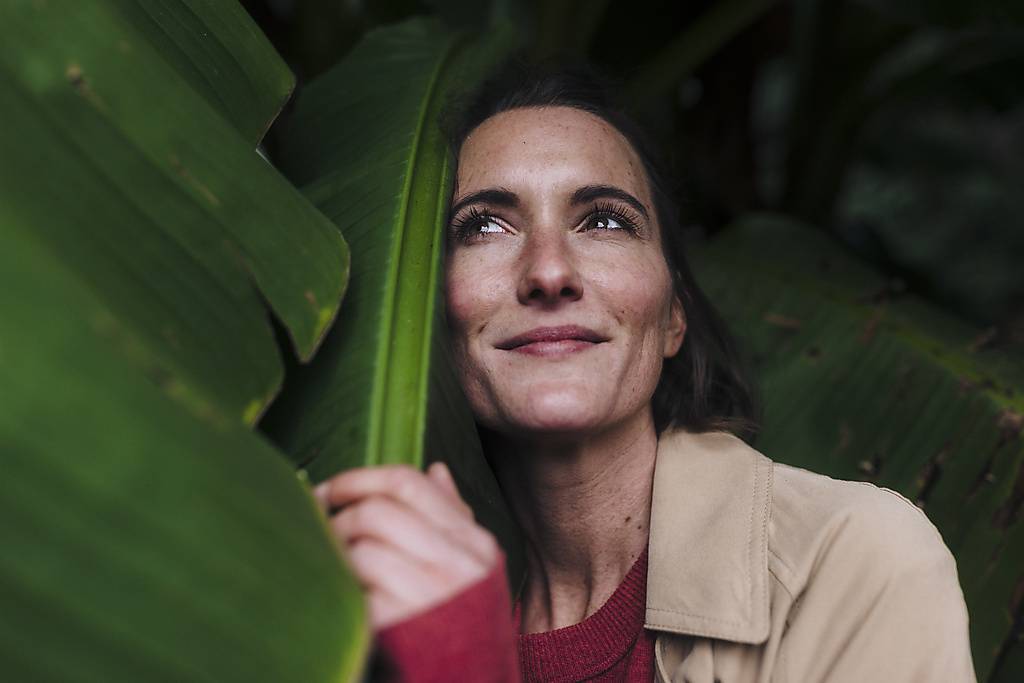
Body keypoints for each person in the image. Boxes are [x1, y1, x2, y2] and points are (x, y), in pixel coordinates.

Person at [313, 61, 976, 682]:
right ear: (431, 314)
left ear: (674, 316)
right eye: (485, 227)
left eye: (603, 220)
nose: (549, 272)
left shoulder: (852, 562)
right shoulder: (372, 592)